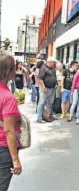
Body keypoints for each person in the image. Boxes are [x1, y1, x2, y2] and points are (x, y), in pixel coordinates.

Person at [0, 53, 22, 191]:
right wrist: (15, 160)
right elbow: (9, 131)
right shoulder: (8, 97)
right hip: (2, 149)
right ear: (10, 71)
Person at [36, 57, 57, 123]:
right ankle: (39, 118)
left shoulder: (53, 69)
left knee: (50, 103)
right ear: (49, 62)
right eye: (53, 62)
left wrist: (55, 83)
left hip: (52, 88)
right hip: (45, 88)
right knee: (41, 103)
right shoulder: (43, 68)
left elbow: (54, 77)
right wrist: (43, 87)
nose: (54, 63)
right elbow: (40, 79)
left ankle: (49, 116)